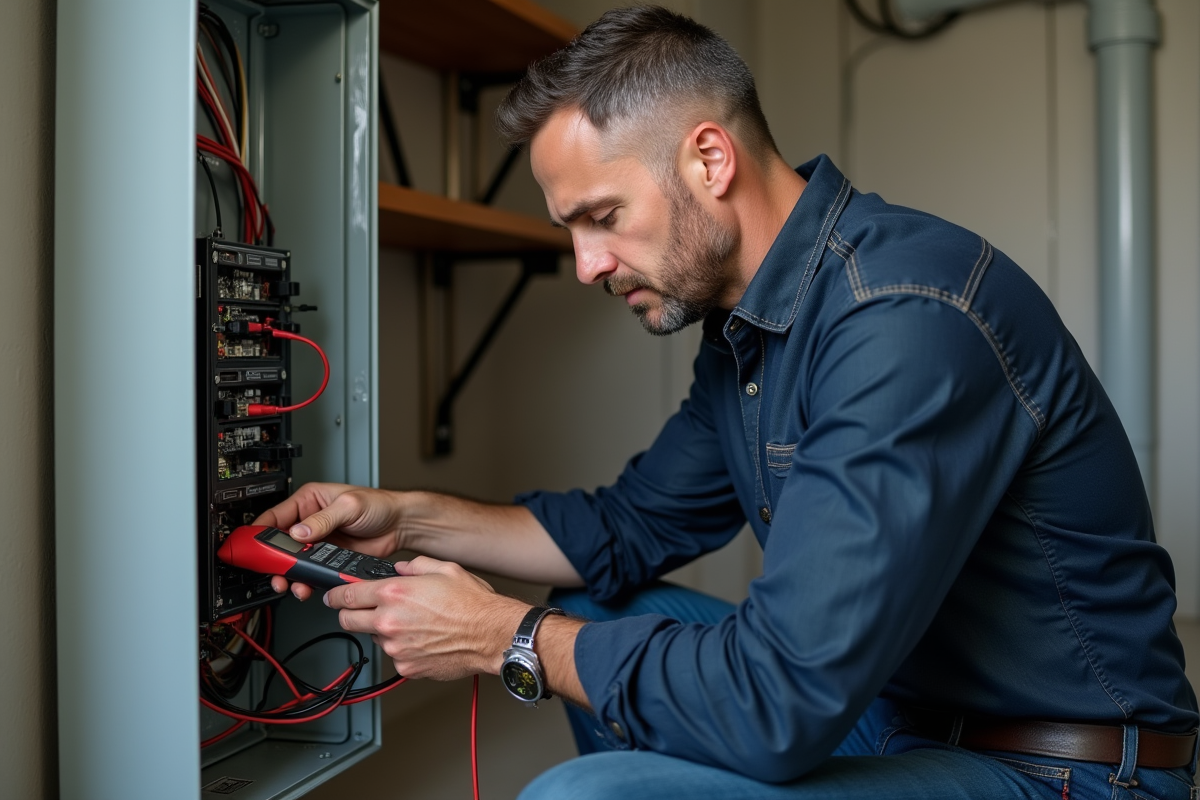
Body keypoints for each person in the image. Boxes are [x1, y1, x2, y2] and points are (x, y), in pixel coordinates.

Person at [259, 6, 1199, 799]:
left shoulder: (903, 317)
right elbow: (622, 531)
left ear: (709, 159)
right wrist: (404, 521)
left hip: (1057, 767)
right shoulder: (748, 329)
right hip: (900, 711)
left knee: (583, 795)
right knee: (596, 594)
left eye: (602, 217)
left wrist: (502, 635)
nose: (585, 264)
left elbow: (780, 700)